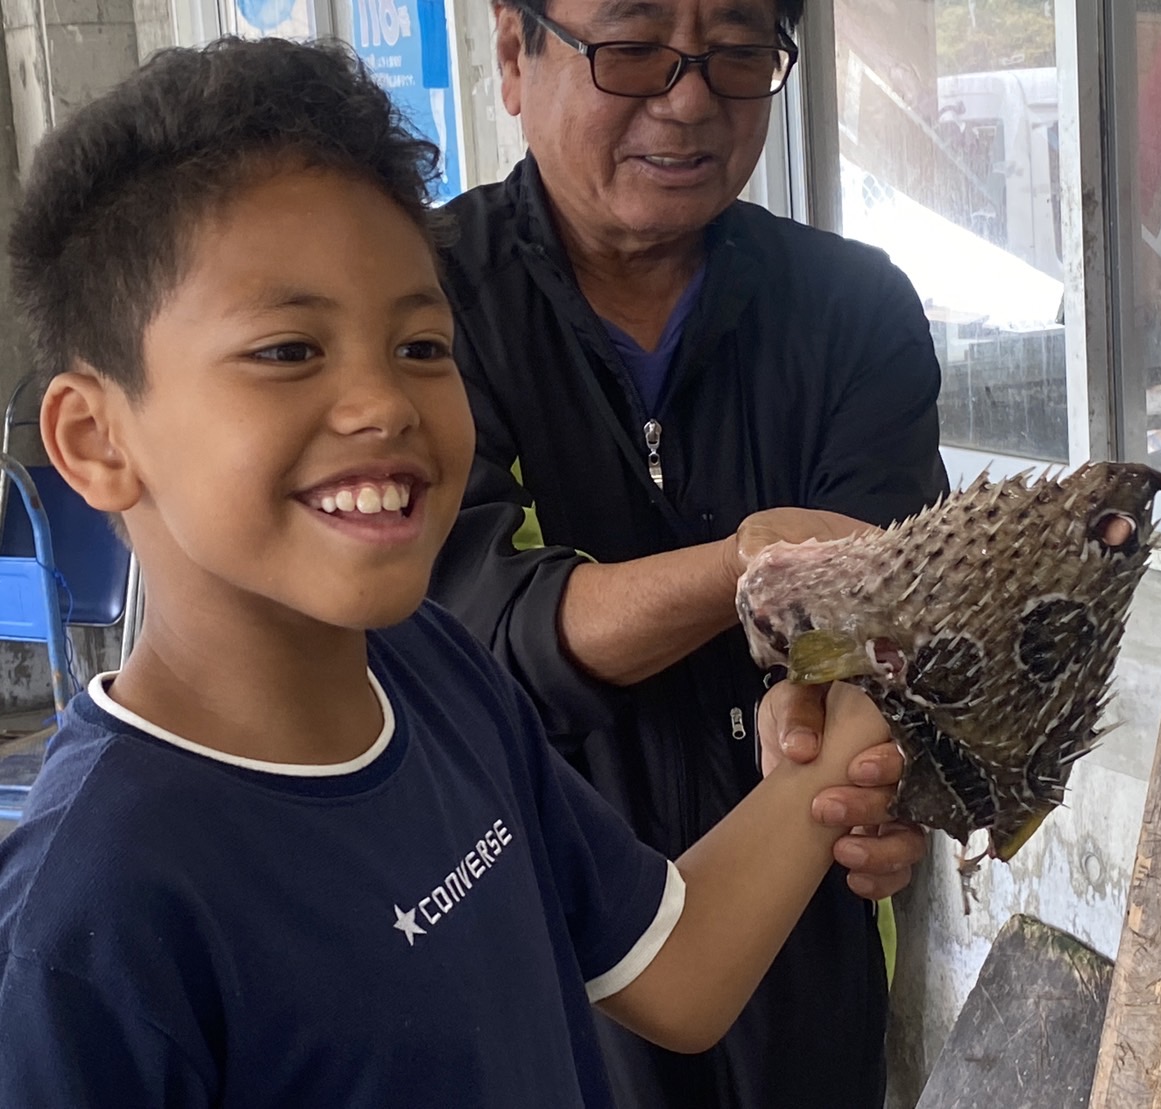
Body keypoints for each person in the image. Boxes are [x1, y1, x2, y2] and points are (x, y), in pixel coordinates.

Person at [0, 37, 913, 1107]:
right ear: (98, 438)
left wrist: (861, 709)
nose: (383, 404)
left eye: (422, 347)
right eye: (290, 349)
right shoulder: (88, 923)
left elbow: (680, 969)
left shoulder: (429, 673)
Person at [429, 0, 949, 1104]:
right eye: (631, 49)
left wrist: (875, 764)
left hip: (802, 945)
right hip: (528, 958)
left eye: (738, 51)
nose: (689, 97)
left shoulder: (855, 311)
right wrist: (746, 566)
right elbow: (485, 628)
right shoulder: (426, 309)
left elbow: (893, 625)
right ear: (515, 54)